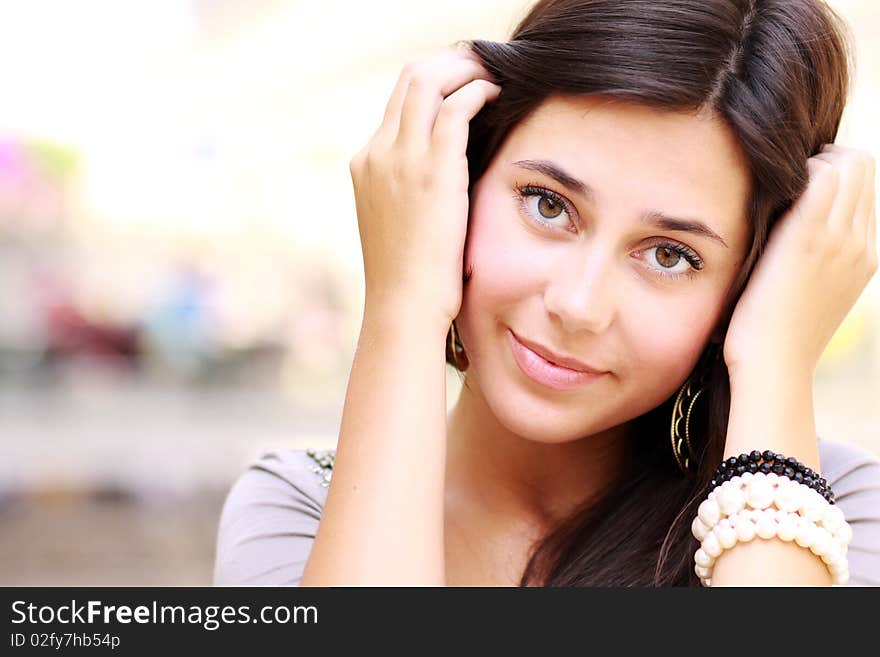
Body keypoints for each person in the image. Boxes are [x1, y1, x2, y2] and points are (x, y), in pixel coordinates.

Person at [213, 0, 880, 586]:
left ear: (749, 284)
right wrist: (403, 304)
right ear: (462, 180)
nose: (578, 304)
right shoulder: (297, 509)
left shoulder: (831, 516)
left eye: (671, 255)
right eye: (548, 205)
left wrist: (772, 363)